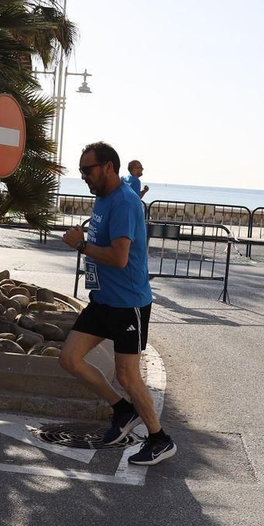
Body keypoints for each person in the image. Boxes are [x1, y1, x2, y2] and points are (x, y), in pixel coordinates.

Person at [58, 141, 173, 465]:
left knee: (128, 376)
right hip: (103, 301)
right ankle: (122, 410)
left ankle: (159, 438)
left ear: (108, 167)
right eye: (81, 170)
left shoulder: (124, 201)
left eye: (87, 170)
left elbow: (120, 257)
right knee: (69, 358)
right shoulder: (103, 198)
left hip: (127, 304)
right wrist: (86, 241)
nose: (83, 176)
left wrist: (82, 247)